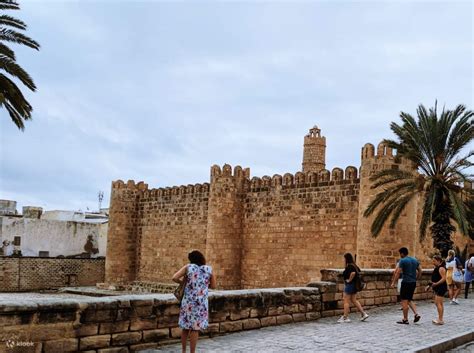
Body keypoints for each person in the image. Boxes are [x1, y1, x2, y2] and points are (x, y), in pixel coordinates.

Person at [172, 250, 216, 353]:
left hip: (188, 302)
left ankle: (183, 351)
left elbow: (174, 277)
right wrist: (203, 285)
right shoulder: (209, 269)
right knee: (195, 329)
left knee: (186, 327)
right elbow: (213, 286)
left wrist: (183, 282)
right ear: (201, 258)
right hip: (200, 303)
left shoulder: (188, 267)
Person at [391, 247, 421, 324]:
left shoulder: (402, 261)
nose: (400, 255)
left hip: (406, 282)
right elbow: (420, 270)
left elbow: (398, 272)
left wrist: (393, 282)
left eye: (400, 254)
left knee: (404, 300)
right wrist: (416, 278)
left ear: (402, 253)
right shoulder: (414, 260)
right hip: (413, 282)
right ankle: (416, 314)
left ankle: (405, 319)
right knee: (409, 300)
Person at [337, 253, 369, 323]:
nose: (343, 260)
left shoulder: (350, 266)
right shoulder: (354, 265)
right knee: (354, 300)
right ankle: (363, 314)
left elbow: (353, 273)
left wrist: (349, 280)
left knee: (346, 301)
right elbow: (358, 272)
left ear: (346, 259)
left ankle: (345, 317)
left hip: (350, 285)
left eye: (344, 258)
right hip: (354, 285)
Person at [425, 255, 448, 325]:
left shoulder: (441, 268)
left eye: (434, 261)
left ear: (438, 261)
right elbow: (434, 279)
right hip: (438, 287)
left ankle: (440, 320)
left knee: (438, 303)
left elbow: (444, 278)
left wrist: (436, 284)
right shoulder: (437, 268)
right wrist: (429, 286)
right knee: (439, 303)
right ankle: (440, 318)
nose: (433, 262)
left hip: (441, 287)